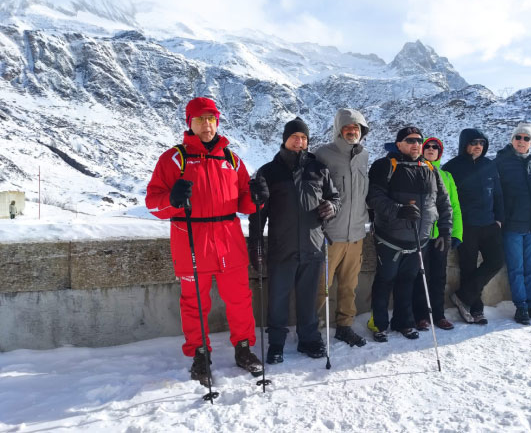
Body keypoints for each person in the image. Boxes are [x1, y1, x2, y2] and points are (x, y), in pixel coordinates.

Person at [145, 97, 262, 386]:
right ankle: (199, 353)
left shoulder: (232, 160)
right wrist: (172, 200)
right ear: (190, 123)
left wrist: (258, 196)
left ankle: (244, 348)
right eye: (200, 119)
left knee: (240, 299)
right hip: (191, 240)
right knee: (194, 303)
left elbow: (245, 203)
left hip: (228, 238)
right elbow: (153, 203)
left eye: (211, 119)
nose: (207, 124)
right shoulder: (174, 159)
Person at [248, 117, 340, 364]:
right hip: (282, 247)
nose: (299, 142)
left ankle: (309, 339)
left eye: (304, 138)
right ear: (285, 140)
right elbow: (257, 214)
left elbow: (335, 198)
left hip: (313, 245)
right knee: (277, 298)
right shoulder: (268, 171)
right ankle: (276, 343)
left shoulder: (318, 169)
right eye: (295, 137)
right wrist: (255, 246)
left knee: (309, 298)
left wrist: (331, 206)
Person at [366, 126, 452, 342]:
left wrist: (444, 230)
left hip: (419, 239)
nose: (416, 144)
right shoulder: (385, 166)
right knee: (385, 280)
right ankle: (379, 324)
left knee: (408, 280)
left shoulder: (430, 168)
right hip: (389, 238)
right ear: (399, 144)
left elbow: (443, 202)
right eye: (410, 140)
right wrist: (398, 210)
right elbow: (374, 197)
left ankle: (404, 322)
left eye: (419, 141)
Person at [314, 108, 370, 347]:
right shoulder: (323, 154)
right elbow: (314, 190)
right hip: (330, 234)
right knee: (320, 286)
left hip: (356, 234)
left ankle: (345, 326)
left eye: (357, 128)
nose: (352, 131)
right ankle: (313, 330)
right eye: (348, 128)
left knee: (350, 285)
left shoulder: (364, 155)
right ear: (339, 129)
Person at [443, 128, 504, 325]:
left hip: (489, 224)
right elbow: (447, 199)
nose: (478, 146)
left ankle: (462, 296)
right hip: (466, 225)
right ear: (465, 144)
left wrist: (499, 219)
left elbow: (498, 194)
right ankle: (475, 308)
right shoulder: (452, 167)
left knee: (496, 261)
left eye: (481, 143)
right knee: (468, 267)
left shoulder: (489, 165)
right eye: (474, 142)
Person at [495, 123, 531, 325]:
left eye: (526, 138)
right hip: (511, 225)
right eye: (518, 137)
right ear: (512, 140)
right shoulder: (501, 161)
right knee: (516, 268)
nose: (522, 141)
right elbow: (496, 192)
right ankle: (521, 307)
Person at [412, 137, 463, 331]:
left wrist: (455, 233)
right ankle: (421, 316)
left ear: (440, 153)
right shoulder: (415, 171)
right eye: (428, 146)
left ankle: (438, 314)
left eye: (436, 147)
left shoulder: (447, 176)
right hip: (421, 234)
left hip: (441, 234)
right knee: (419, 276)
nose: (431, 149)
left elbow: (454, 207)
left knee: (439, 276)